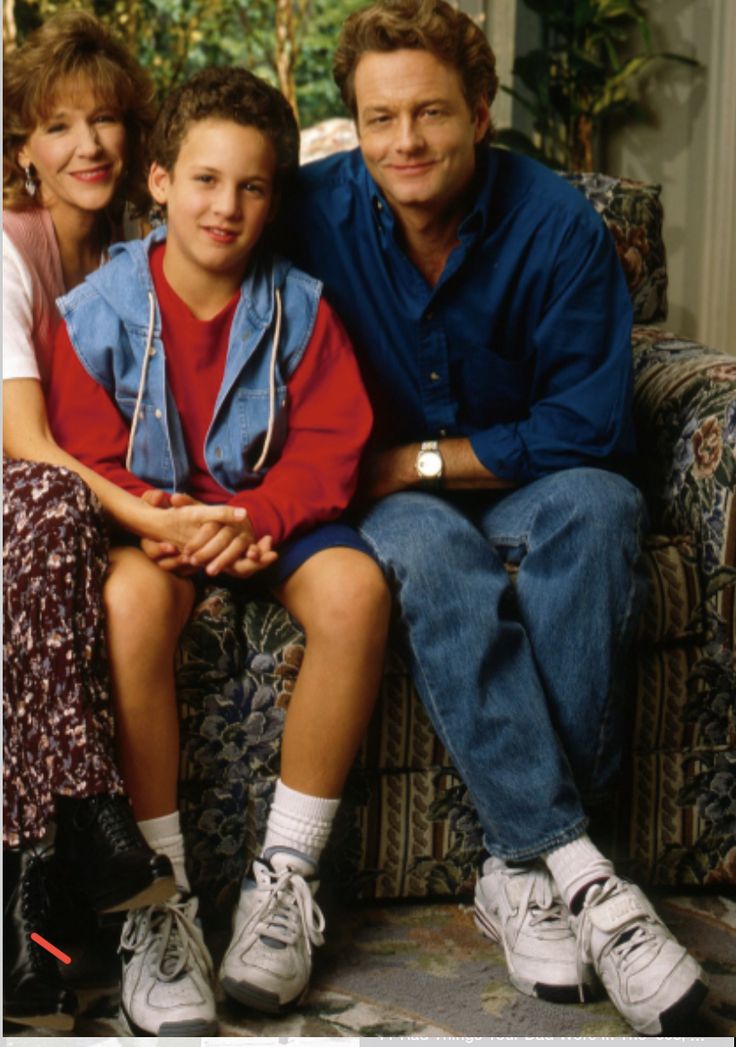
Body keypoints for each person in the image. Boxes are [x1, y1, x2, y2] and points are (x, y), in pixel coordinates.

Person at [277, 0, 708, 1036]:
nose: (405, 143)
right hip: (388, 509)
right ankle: (573, 869)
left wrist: (414, 459)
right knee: (423, 547)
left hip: (520, 481)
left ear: (479, 111)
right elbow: (187, 267)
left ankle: (515, 867)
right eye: (380, 120)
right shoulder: (305, 210)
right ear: (354, 125)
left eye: (429, 114)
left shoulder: (557, 222)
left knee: (602, 512)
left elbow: (589, 425)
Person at [46, 66, 391, 1035]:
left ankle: (282, 884)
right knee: (126, 606)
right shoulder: (100, 311)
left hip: (267, 520)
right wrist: (174, 523)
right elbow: (83, 451)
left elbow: (333, 442)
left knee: (358, 591)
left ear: (274, 199)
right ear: (157, 182)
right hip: (150, 531)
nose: (225, 207)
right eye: (203, 181)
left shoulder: (300, 307)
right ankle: (162, 908)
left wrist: (262, 518)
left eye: (250, 186)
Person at [1, 12, 252, 1033]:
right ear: (22, 147)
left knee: (62, 523)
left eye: (106, 121)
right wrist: (157, 514)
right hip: (29, 487)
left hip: (57, 523)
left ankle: (29, 919)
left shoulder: (147, 249)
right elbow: (27, 444)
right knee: (55, 502)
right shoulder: (8, 252)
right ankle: (97, 819)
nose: (89, 148)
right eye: (59, 127)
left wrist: (197, 514)